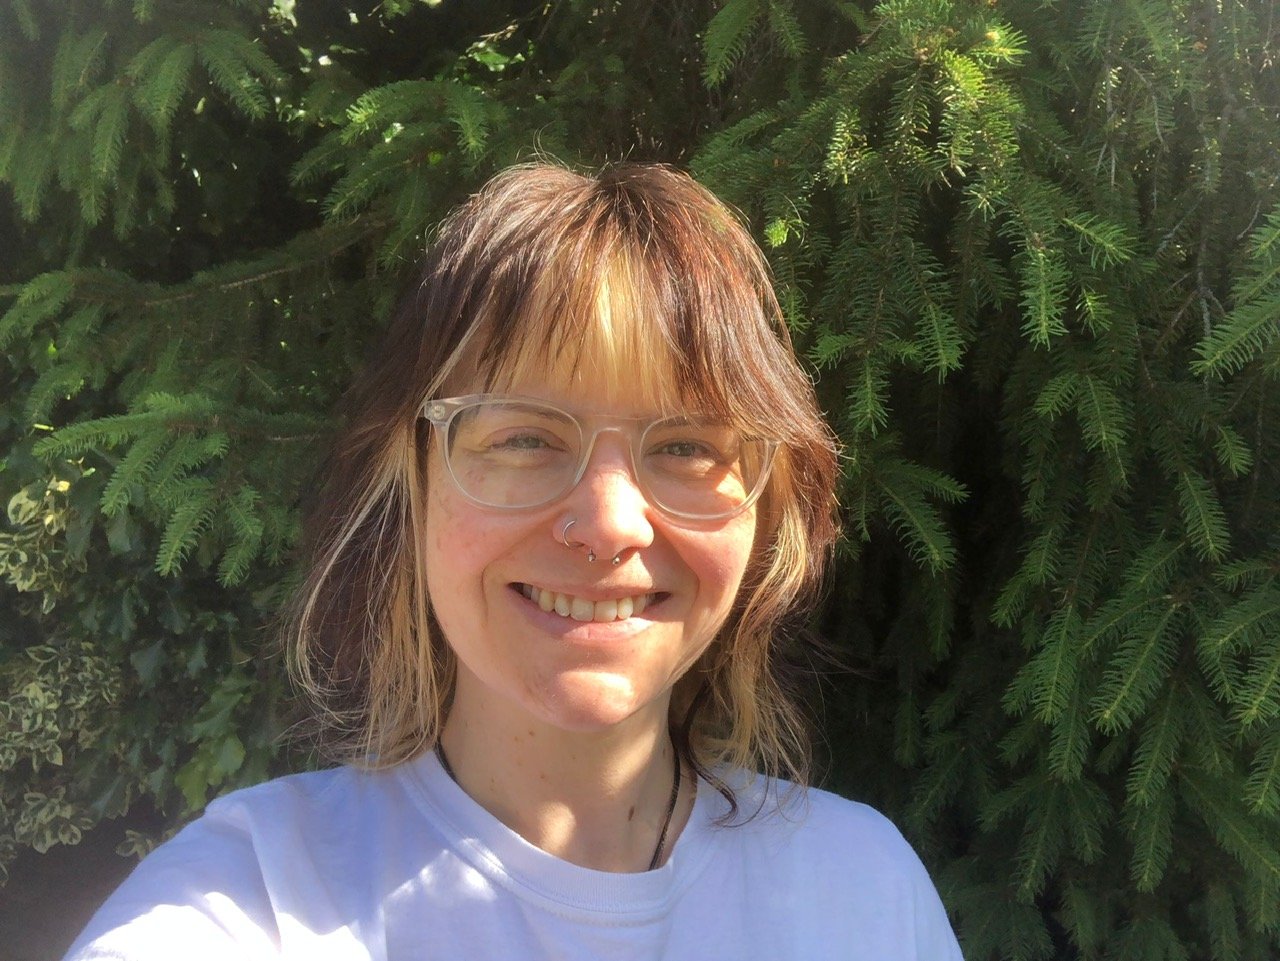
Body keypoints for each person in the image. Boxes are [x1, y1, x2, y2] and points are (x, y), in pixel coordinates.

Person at [64, 163, 963, 960]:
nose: (610, 526)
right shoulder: (252, 905)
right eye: (525, 436)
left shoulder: (865, 888)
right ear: (408, 484)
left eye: (688, 446)